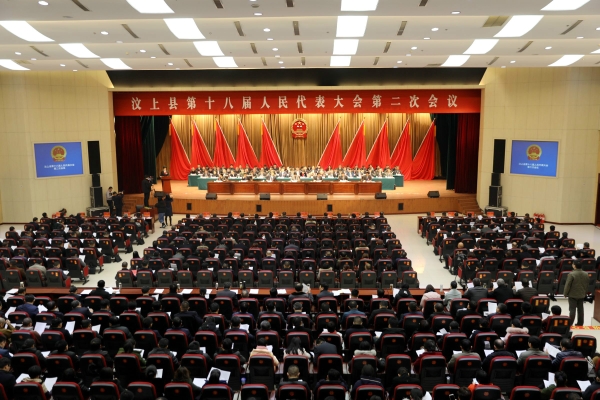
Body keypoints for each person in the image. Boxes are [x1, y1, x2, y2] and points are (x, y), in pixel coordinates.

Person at [564, 262, 590, 326]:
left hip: (572, 295)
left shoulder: (572, 274)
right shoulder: (586, 274)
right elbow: (587, 285)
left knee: (572, 310)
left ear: (574, 266)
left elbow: (568, 285)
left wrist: (565, 293)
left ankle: (570, 324)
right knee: (581, 310)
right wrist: (585, 293)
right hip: (582, 294)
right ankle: (580, 323)